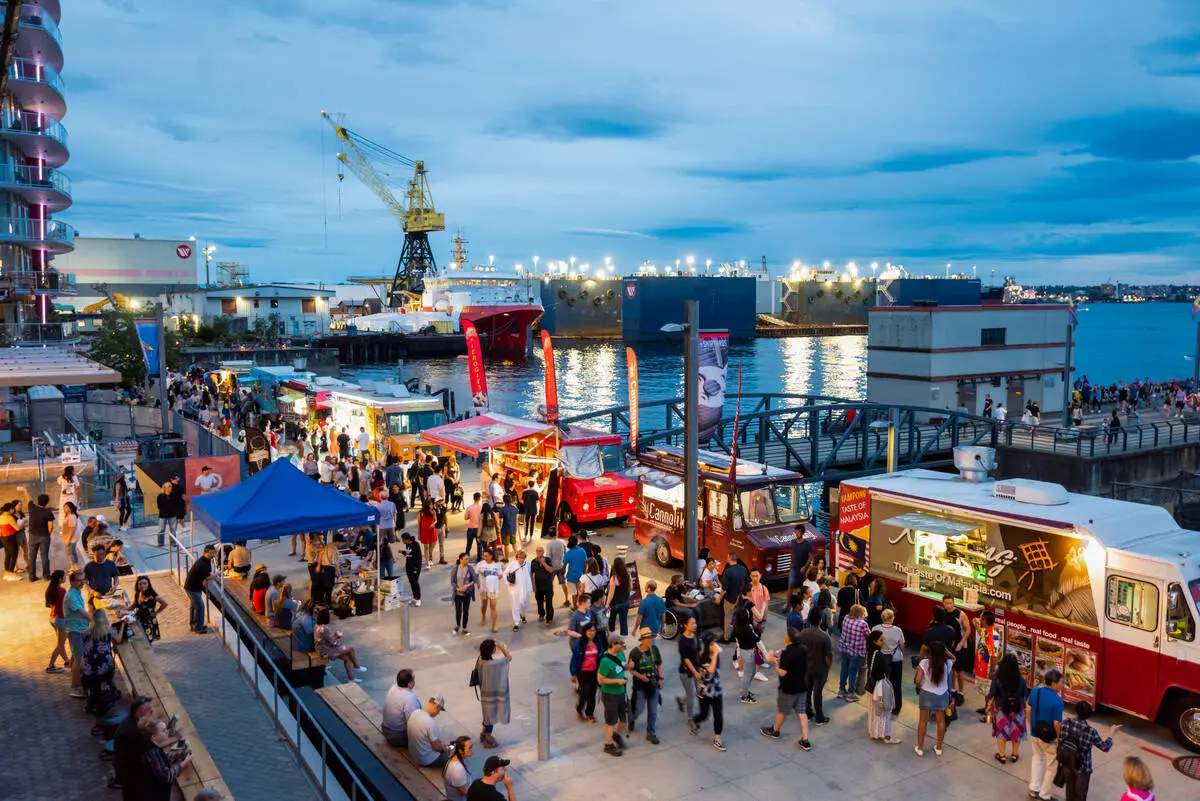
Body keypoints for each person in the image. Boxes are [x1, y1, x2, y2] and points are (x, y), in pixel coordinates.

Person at [760, 626, 812, 750]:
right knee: (802, 712)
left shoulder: (787, 654)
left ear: (789, 639)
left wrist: (775, 662)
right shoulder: (803, 649)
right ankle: (805, 739)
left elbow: (782, 672)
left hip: (788, 688)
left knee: (782, 711)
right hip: (802, 686)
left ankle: (775, 731)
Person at [1058, 701, 1118, 801]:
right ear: (1088, 715)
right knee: (1080, 795)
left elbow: (1060, 740)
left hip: (1067, 762)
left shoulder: (1065, 723)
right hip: (1083, 767)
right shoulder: (1091, 731)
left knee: (1069, 791)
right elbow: (1105, 747)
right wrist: (1111, 734)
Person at [1027, 669, 1065, 801]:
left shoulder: (1035, 691)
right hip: (1049, 738)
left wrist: (1032, 725)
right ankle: (1045, 795)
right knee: (1052, 766)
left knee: (1037, 758)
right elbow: (1056, 724)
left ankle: (1034, 789)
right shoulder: (1058, 701)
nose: (1062, 685)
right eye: (1061, 682)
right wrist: (1060, 738)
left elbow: (1028, 709)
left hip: (1035, 732)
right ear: (1054, 683)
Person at [134, 716, 193, 800]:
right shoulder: (151, 753)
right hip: (154, 793)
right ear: (154, 736)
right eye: (163, 731)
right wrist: (185, 762)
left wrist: (180, 754)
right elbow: (168, 776)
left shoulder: (152, 746)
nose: (167, 733)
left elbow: (162, 759)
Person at [81, 608, 127, 709]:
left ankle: (92, 697)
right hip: (105, 666)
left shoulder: (84, 633)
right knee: (106, 667)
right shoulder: (109, 631)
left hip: (88, 668)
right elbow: (118, 639)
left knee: (90, 673)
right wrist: (123, 625)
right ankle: (107, 693)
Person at [986, 653, 1027, 764]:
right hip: (1018, 710)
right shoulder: (1021, 679)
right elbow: (1025, 695)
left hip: (1001, 710)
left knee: (1001, 733)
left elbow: (992, 693)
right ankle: (1014, 755)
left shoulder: (997, 678)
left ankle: (1002, 755)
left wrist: (989, 705)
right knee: (1016, 733)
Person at [688, 633, 727, 752]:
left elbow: (716, 672)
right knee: (704, 715)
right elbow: (709, 674)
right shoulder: (702, 659)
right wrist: (715, 654)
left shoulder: (715, 657)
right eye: (712, 644)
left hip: (717, 691)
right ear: (707, 645)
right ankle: (693, 721)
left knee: (718, 715)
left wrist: (715, 655)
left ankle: (717, 738)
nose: (715, 645)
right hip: (705, 693)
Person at [626, 627, 663, 744]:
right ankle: (632, 717)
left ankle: (651, 733)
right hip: (640, 686)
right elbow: (630, 669)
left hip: (653, 684)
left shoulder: (655, 650)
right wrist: (640, 676)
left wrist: (660, 678)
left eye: (651, 637)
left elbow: (659, 665)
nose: (651, 640)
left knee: (653, 711)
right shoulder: (635, 652)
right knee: (639, 708)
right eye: (648, 638)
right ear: (642, 639)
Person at [914, 641, 951, 757]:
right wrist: (947, 652)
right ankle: (938, 748)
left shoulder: (924, 663)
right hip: (941, 695)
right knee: (941, 721)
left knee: (923, 721)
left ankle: (920, 748)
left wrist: (920, 686)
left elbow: (918, 680)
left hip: (926, 694)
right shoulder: (947, 663)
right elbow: (954, 658)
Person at [598, 634, 630, 757]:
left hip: (621, 692)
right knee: (610, 721)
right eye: (621, 643)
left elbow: (623, 667)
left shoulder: (621, 654)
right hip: (610, 694)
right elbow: (601, 680)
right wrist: (617, 681)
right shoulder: (605, 661)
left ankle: (615, 734)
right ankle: (608, 745)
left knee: (623, 719)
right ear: (613, 644)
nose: (623, 645)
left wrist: (630, 667)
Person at [798, 607, 832, 724]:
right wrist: (828, 669)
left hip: (806, 667)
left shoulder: (802, 634)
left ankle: (808, 712)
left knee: (807, 690)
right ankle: (819, 716)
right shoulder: (825, 636)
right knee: (817, 693)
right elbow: (828, 656)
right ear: (820, 621)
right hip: (820, 668)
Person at [476, 639, 512, 748]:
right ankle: (487, 737)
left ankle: (483, 734)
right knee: (490, 718)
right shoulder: (494, 664)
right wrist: (501, 646)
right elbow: (509, 657)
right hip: (493, 695)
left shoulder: (480, 660)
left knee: (487, 716)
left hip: (484, 693)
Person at [865, 632, 900, 744]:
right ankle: (886, 736)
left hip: (872, 686)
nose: (883, 641)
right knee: (884, 711)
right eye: (881, 640)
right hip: (880, 687)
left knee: (874, 711)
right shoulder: (879, 655)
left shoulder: (871, 652)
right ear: (875, 641)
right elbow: (887, 670)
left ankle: (874, 732)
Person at [315, 607, 366, 681]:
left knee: (347, 658)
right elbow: (333, 642)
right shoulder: (324, 629)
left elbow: (328, 640)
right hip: (326, 651)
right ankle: (356, 666)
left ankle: (351, 678)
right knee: (351, 650)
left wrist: (335, 636)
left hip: (322, 649)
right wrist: (338, 636)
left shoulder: (318, 626)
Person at [871, 608, 906, 715]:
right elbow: (902, 646)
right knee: (896, 683)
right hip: (895, 659)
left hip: (880, 659)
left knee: (881, 682)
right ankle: (896, 707)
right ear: (892, 618)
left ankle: (881, 703)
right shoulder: (898, 630)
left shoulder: (875, 628)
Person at [63, 570, 91, 697]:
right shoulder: (71, 596)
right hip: (75, 631)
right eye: (80, 580)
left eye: (83, 579)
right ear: (73, 582)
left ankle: (77, 680)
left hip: (80, 628)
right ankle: (76, 687)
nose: (82, 582)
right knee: (78, 659)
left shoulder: (76, 592)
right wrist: (96, 621)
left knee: (75, 657)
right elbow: (81, 612)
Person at [731, 586, 761, 704]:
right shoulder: (747, 630)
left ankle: (746, 691)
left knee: (750, 672)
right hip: (747, 649)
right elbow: (756, 636)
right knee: (748, 674)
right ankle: (744, 695)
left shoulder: (739, 627)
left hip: (745, 647)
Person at [571, 621, 606, 722]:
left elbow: (601, 655)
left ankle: (589, 713)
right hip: (583, 672)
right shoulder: (580, 643)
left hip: (595, 671)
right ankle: (579, 708)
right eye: (590, 630)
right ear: (585, 632)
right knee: (585, 692)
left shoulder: (598, 642)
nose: (592, 632)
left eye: (594, 630)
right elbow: (575, 658)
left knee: (592, 693)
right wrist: (573, 673)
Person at [407, 695, 452, 767]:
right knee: (449, 752)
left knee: (438, 742)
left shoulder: (414, 712)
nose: (438, 713)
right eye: (439, 710)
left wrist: (441, 744)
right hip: (425, 760)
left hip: (414, 754)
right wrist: (445, 748)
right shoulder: (431, 723)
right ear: (436, 707)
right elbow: (436, 747)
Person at [837, 604, 870, 700]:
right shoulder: (863, 624)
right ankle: (851, 694)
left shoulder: (846, 618)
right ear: (860, 614)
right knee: (853, 672)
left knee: (844, 669)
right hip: (856, 651)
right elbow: (869, 635)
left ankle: (841, 690)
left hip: (844, 648)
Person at [382, 668, 420, 747]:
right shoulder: (410, 698)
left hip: (386, 728)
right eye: (413, 680)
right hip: (397, 736)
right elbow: (414, 722)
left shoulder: (394, 687)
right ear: (409, 684)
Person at [974, 610, 1001, 719]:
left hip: (988, 668)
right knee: (986, 690)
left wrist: (991, 671)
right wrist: (976, 625)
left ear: (984, 620)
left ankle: (991, 714)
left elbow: (993, 655)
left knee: (990, 691)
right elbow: (981, 633)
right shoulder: (987, 631)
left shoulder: (992, 634)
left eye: (981, 618)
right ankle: (986, 708)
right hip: (983, 667)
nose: (980, 620)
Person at [184, 544, 214, 634]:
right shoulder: (203, 564)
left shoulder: (206, 560)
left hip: (192, 586)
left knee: (194, 606)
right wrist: (216, 575)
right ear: (205, 553)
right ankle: (198, 627)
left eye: (213, 553)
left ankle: (194, 625)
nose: (212, 555)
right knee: (200, 606)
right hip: (192, 588)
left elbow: (204, 577)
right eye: (210, 553)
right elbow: (206, 579)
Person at [24, 491, 53, 581]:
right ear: (47, 502)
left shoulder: (32, 508)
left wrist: (25, 491)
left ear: (38, 501)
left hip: (32, 536)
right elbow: (51, 527)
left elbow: (29, 499)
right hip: (44, 536)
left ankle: (32, 577)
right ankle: (46, 576)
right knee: (44, 556)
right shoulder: (48, 512)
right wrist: (48, 535)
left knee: (32, 557)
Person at [44, 569, 69, 673]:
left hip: (53, 618)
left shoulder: (50, 590)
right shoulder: (62, 591)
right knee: (60, 644)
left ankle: (67, 661)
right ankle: (51, 666)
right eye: (64, 576)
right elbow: (66, 606)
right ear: (60, 579)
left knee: (60, 642)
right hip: (61, 619)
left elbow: (48, 605)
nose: (66, 577)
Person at [132, 575, 167, 642]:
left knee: (148, 638)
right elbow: (133, 606)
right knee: (140, 637)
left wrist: (156, 612)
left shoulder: (153, 596)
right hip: (139, 618)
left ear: (148, 584)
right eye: (140, 584)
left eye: (145, 583)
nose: (142, 586)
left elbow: (164, 604)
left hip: (149, 620)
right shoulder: (138, 594)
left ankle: (148, 650)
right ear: (137, 585)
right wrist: (123, 609)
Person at [504, 550, 532, 632]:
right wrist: (508, 582)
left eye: (523, 558)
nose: (521, 559)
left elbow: (530, 575)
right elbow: (505, 573)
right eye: (520, 558)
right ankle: (516, 623)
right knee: (515, 605)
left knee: (524, 603)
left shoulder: (528, 565)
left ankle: (522, 614)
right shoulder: (512, 565)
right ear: (517, 558)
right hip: (515, 589)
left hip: (525, 588)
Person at [476, 548, 503, 632]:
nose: (485, 558)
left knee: (493, 606)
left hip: (493, 589)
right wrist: (478, 583)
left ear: (491, 556)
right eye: (484, 556)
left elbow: (500, 576)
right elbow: (476, 574)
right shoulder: (480, 564)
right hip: (484, 588)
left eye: (487, 556)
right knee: (484, 605)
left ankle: (494, 624)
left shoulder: (497, 564)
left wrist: (493, 576)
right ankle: (483, 616)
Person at [451, 552, 477, 635]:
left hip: (467, 593)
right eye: (466, 559)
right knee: (458, 611)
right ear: (460, 559)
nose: (467, 560)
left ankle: (465, 628)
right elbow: (453, 581)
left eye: (468, 559)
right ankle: (458, 625)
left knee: (466, 611)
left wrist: (467, 586)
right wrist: (457, 588)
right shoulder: (455, 568)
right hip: (458, 594)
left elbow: (474, 580)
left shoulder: (470, 568)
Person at [605, 557, 632, 635]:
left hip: (615, 604)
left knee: (612, 621)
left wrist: (607, 604)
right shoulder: (628, 575)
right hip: (626, 602)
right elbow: (631, 588)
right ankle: (623, 642)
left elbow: (611, 593)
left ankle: (612, 639)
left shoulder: (614, 578)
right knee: (623, 622)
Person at [530, 545, 556, 626]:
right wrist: (531, 585)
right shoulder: (533, 562)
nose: (538, 552)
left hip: (548, 586)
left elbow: (551, 570)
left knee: (549, 603)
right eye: (537, 551)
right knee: (539, 602)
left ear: (543, 552)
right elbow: (531, 573)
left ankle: (549, 619)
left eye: (540, 551)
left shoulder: (548, 560)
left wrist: (543, 563)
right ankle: (541, 614)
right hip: (538, 586)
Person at [60, 502, 83, 573]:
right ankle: (75, 566)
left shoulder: (72, 516)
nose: (65, 508)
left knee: (69, 553)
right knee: (72, 552)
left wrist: (68, 539)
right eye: (64, 507)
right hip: (71, 537)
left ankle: (74, 567)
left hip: (71, 538)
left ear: (71, 508)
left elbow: (71, 529)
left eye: (66, 507)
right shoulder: (68, 515)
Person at [498, 494, 519, 560]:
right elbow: (517, 518)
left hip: (505, 529)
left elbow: (501, 521)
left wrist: (499, 529)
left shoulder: (502, 509)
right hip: (513, 529)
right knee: (513, 542)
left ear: (504, 500)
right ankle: (517, 556)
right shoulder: (515, 508)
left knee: (506, 544)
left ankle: (506, 558)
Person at [464, 493, 484, 562]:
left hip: (471, 528)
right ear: (479, 498)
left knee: (469, 544)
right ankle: (479, 558)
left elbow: (466, 517)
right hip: (479, 528)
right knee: (479, 544)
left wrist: (471, 516)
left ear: (473, 498)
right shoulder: (482, 507)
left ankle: (466, 557)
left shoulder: (469, 507)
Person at [418, 504, 438, 568]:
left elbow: (435, 520)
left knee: (433, 543)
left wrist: (433, 524)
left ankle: (429, 557)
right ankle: (427, 563)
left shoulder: (433, 511)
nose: (432, 505)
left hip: (432, 531)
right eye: (431, 504)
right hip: (424, 531)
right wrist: (419, 534)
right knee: (426, 547)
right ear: (427, 505)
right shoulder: (421, 513)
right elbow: (419, 524)